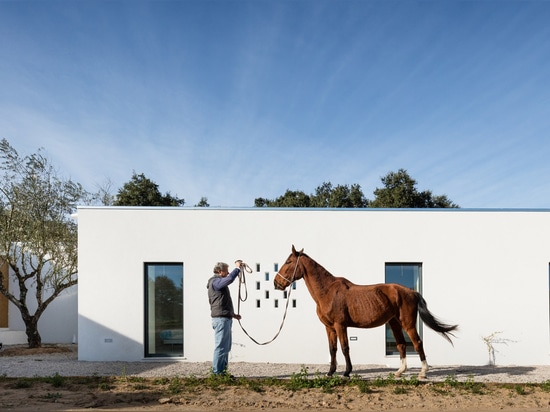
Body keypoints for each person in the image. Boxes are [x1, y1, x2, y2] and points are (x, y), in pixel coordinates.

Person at [207, 260, 243, 375]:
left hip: (224, 318)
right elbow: (229, 279)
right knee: (221, 347)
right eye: (226, 271)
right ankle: (217, 373)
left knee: (225, 347)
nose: (228, 273)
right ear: (219, 271)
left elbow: (222, 303)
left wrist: (233, 315)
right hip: (221, 320)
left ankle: (222, 372)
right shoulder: (215, 282)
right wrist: (237, 269)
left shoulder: (218, 283)